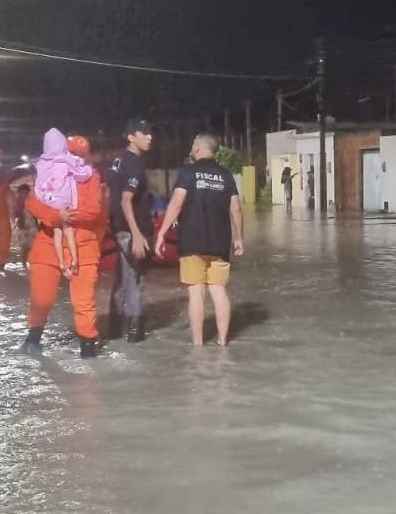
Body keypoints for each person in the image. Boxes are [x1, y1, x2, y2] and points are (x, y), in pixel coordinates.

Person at [20, 135, 107, 359]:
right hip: (48, 241)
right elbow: (32, 202)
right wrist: (55, 216)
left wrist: (65, 216)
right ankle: (33, 339)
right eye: (72, 153)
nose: (76, 158)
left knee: (83, 301)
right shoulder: (49, 172)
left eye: (81, 154)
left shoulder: (92, 177)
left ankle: (88, 348)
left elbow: (93, 210)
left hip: (83, 244)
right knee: (41, 298)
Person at [155, 133, 245, 346]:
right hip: (220, 242)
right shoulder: (225, 175)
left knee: (196, 293)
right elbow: (236, 209)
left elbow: (176, 204)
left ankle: (198, 345)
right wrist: (239, 238)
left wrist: (161, 233)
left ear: (198, 148)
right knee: (218, 290)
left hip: (191, 242)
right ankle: (222, 341)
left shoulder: (187, 173)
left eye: (193, 145)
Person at [108, 119, 155, 343]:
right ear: (131, 137)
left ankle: (115, 329)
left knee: (124, 278)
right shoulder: (134, 164)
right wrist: (137, 234)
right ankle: (135, 331)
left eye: (150, 133)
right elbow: (126, 199)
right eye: (144, 133)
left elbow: (112, 194)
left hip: (120, 229)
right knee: (135, 279)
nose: (150, 137)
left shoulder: (118, 161)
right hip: (132, 230)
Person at [35, 128, 95, 278]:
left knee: (57, 232)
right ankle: (75, 261)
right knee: (68, 231)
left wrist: (44, 201)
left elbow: (38, 186)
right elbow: (82, 174)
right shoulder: (64, 160)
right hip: (63, 201)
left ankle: (61, 263)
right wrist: (88, 168)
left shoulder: (41, 163)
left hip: (49, 201)